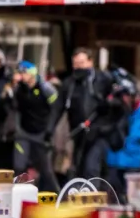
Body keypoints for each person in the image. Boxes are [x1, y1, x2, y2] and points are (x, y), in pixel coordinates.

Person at [49, 48, 116, 179]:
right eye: (76, 64)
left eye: (81, 63)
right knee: (77, 169)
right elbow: (57, 108)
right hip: (78, 133)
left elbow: (117, 103)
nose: (78, 67)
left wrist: (108, 107)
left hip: (98, 132)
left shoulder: (103, 79)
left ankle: (93, 195)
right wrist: (49, 129)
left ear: (90, 62)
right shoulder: (69, 84)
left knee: (91, 168)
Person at [4, 61, 59, 192]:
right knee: (19, 166)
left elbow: (56, 109)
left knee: (45, 170)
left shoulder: (46, 88)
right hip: (23, 133)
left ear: (31, 74)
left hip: (41, 133)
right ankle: (19, 196)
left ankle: (58, 195)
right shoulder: (19, 89)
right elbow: (14, 108)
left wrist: (50, 130)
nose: (21, 76)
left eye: (23, 73)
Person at [106, 80, 140, 202]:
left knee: (132, 192)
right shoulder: (116, 111)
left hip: (134, 156)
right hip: (115, 156)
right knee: (114, 188)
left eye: (127, 96)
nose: (125, 99)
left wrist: (136, 136)